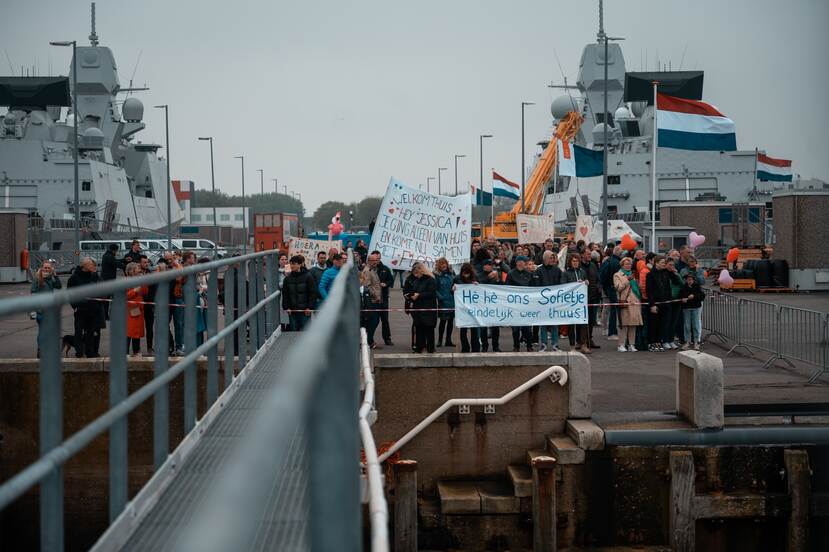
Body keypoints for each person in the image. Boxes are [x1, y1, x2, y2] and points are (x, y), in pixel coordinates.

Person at [67, 257, 105, 357]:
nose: (94, 267)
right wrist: (74, 306)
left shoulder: (94, 276)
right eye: (92, 265)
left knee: (90, 332)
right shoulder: (74, 277)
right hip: (80, 309)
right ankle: (79, 352)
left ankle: (90, 352)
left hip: (93, 309)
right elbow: (70, 293)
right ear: (85, 265)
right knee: (78, 332)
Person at [31, 260, 62, 356]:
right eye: (45, 267)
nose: (47, 269)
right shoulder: (37, 278)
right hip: (41, 309)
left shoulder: (51, 278)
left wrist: (55, 275)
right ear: (42, 268)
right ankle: (41, 349)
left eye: (49, 268)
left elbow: (59, 286)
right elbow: (33, 293)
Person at [613, 257, 643, 352]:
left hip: (635, 301)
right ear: (622, 265)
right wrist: (627, 280)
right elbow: (618, 288)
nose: (628, 266)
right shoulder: (617, 275)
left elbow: (637, 288)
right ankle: (621, 345)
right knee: (624, 324)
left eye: (629, 264)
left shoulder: (634, 275)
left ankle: (631, 344)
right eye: (626, 264)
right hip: (625, 301)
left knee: (633, 324)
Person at [562, 253, 590, 354]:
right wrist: (574, 284)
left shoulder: (582, 272)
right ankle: (572, 346)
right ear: (570, 262)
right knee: (571, 325)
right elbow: (563, 286)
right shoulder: (566, 273)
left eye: (577, 261)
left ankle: (583, 344)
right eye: (573, 261)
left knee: (582, 324)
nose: (575, 263)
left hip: (580, 302)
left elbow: (586, 282)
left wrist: (586, 282)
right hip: (570, 303)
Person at [534, 250, 562, 352]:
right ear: (545, 258)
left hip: (554, 300)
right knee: (544, 323)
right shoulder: (539, 270)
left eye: (553, 258)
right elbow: (537, 285)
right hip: (543, 301)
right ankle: (544, 344)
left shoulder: (557, 270)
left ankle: (555, 344)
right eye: (550, 257)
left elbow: (561, 284)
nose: (552, 259)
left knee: (554, 323)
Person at [406, 262, 437, 353]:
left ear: (421, 270)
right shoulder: (417, 281)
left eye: (416, 273)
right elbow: (413, 290)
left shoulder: (431, 280)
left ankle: (431, 349)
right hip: (418, 308)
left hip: (428, 309)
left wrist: (419, 295)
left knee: (429, 330)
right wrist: (411, 295)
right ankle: (419, 348)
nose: (415, 275)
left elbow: (432, 293)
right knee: (419, 329)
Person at [282, 254, 318, 332]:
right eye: (291, 263)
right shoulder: (287, 279)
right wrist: (286, 307)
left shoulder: (308, 276)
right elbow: (285, 294)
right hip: (292, 311)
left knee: (305, 333)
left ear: (299, 264)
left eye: (294, 264)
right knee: (293, 333)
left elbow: (313, 293)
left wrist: (310, 307)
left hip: (305, 311)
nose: (292, 266)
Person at [506, 255, 534, 352]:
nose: (523, 263)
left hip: (527, 304)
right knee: (516, 328)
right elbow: (507, 288)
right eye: (521, 261)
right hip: (515, 305)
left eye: (524, 262)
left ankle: (529, 346)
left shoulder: (529, 273)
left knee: (528, 328)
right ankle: (516, 346)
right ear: (517, 262)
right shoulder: (511, 274)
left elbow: (533, 287)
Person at [646, 255, 673, 351]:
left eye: (664, 263)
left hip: (665, 303)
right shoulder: (650, 275)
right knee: (654, 324)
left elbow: (668, 288)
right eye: (662, 262)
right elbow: (649, 291)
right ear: (656, 263)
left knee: (662, 324)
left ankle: (658, 341)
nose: (664, 264)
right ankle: (652, 342)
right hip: (656, 303)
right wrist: (652, 305)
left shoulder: (665, 273)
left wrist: (669, 301)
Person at [453, 262, 481, 352]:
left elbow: (480, 291)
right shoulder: (457, 278)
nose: (465, 275)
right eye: (464, 273)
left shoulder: (475, 277)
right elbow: (452, 291)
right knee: (463, 329)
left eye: (467, 273)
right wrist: (453, 288)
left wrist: (477, 286)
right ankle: (465, 348)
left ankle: (475, 348)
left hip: (473, 307)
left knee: (474, 329)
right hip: (462, 308)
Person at [478, 257, 502, 352]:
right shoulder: (479, 275)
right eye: (488, 265)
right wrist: (488, 278)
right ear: (484, 266)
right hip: (483, 305)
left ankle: (496, 346)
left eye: (491, 265)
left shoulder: (496, 274)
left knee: (495, 327)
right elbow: (479, 286)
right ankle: (484, 346)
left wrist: (497, 279)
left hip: (494, 305)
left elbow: (501, 288)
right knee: (483, 327)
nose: (489, 266)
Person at [360, 253, 383, 347]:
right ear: (369, 261)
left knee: (375, 321)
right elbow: (367, 286)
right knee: (373, 321)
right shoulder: (367, 271)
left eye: (376, 260)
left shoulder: (373, 270)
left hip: (376, 300)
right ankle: (369, 341)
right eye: (373, 261)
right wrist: (375, 296)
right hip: (371, 301)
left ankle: (369, 340)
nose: (376, 262)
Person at [125, 262, 148, 356]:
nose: (139, 269)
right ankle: (125, 351)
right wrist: (134, 291)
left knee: (137, 331)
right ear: (131, 271)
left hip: (139, 309)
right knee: (129, 331)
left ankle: (136, 351)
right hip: (130, 309)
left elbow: (145, 292)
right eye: (137, 268)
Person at [599, 245, 622, 340]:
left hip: (608, 288)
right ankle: (612, 332)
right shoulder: (617, 263)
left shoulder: (608, 261)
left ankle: (609, 330)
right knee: (613, 310)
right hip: (613, 288)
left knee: (609, 309)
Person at [679, 272, 705, 350]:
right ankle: (687, 342)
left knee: (696, 325)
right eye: (688, 280)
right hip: (686, 308)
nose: (689, 281)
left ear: (693, 280)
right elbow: (680, 296)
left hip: (695, 308)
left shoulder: (697, 286)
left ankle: (696, 342)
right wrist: (682, 299)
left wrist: (694, 296)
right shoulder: (683, 287)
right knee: (687, 326)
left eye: (690, 280)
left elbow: (702, 296)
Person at [433, 258, 456, 348]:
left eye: (445, 263)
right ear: (439, 265)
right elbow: (434, 289)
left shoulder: (451, 274)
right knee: (443, 322)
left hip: (452, 301)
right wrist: (440, 298)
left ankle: (448, 340)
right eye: (442, 264)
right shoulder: (437, 276)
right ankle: (440, 340)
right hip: (443, 302)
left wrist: (454, 287)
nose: (443, 265)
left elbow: (455, 283)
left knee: (450, 322)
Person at [581, 250, 601, 349]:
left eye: (590, 254)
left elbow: (598, 278)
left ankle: (590, 339)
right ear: (582, 255)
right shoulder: (579, 267)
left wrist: (598, 287)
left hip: (593, 296)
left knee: (591, 320)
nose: (590, 256)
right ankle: (580, 341)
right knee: (582, 320)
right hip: (582, 297)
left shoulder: (593, 265)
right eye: (588, 254)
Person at [374, 252, 394, 346]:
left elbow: (391, 280)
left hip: (383, 298)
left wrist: (385, 284)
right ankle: (369, 339)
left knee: (385, 320)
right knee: (373, 320)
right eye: (375, 259)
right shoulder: (369, 269)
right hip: (373, 299)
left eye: (378, 258)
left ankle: (387, 338)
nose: (377, 260)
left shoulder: (385, 269)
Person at [665, 258, 684, 347]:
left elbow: (682, 284)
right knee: (667, 321)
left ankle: (671, 340)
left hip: (677, 300)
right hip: (667, 300)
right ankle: (665, 340)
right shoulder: (664, 274)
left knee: (674, 321)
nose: (672, 267)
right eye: (670, 265)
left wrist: (677, 275)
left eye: (673, 265)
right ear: (665, 265)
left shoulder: (675, 274)